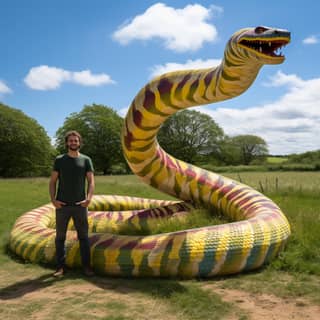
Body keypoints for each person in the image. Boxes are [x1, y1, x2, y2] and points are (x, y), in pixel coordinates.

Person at [49, 130, 95, 277]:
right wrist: (53, 200)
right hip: (62, 205)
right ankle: (60, 268)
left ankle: (87, 267)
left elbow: (91, 181)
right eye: (71, 141)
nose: (73, 143)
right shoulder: (59, 160)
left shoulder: (86, 160)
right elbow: (52, 182)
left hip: (80, 205)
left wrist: (88, 199)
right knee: (60, 237)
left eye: (76, 140)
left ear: (79, 142)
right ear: (66, 143)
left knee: (84, 237)